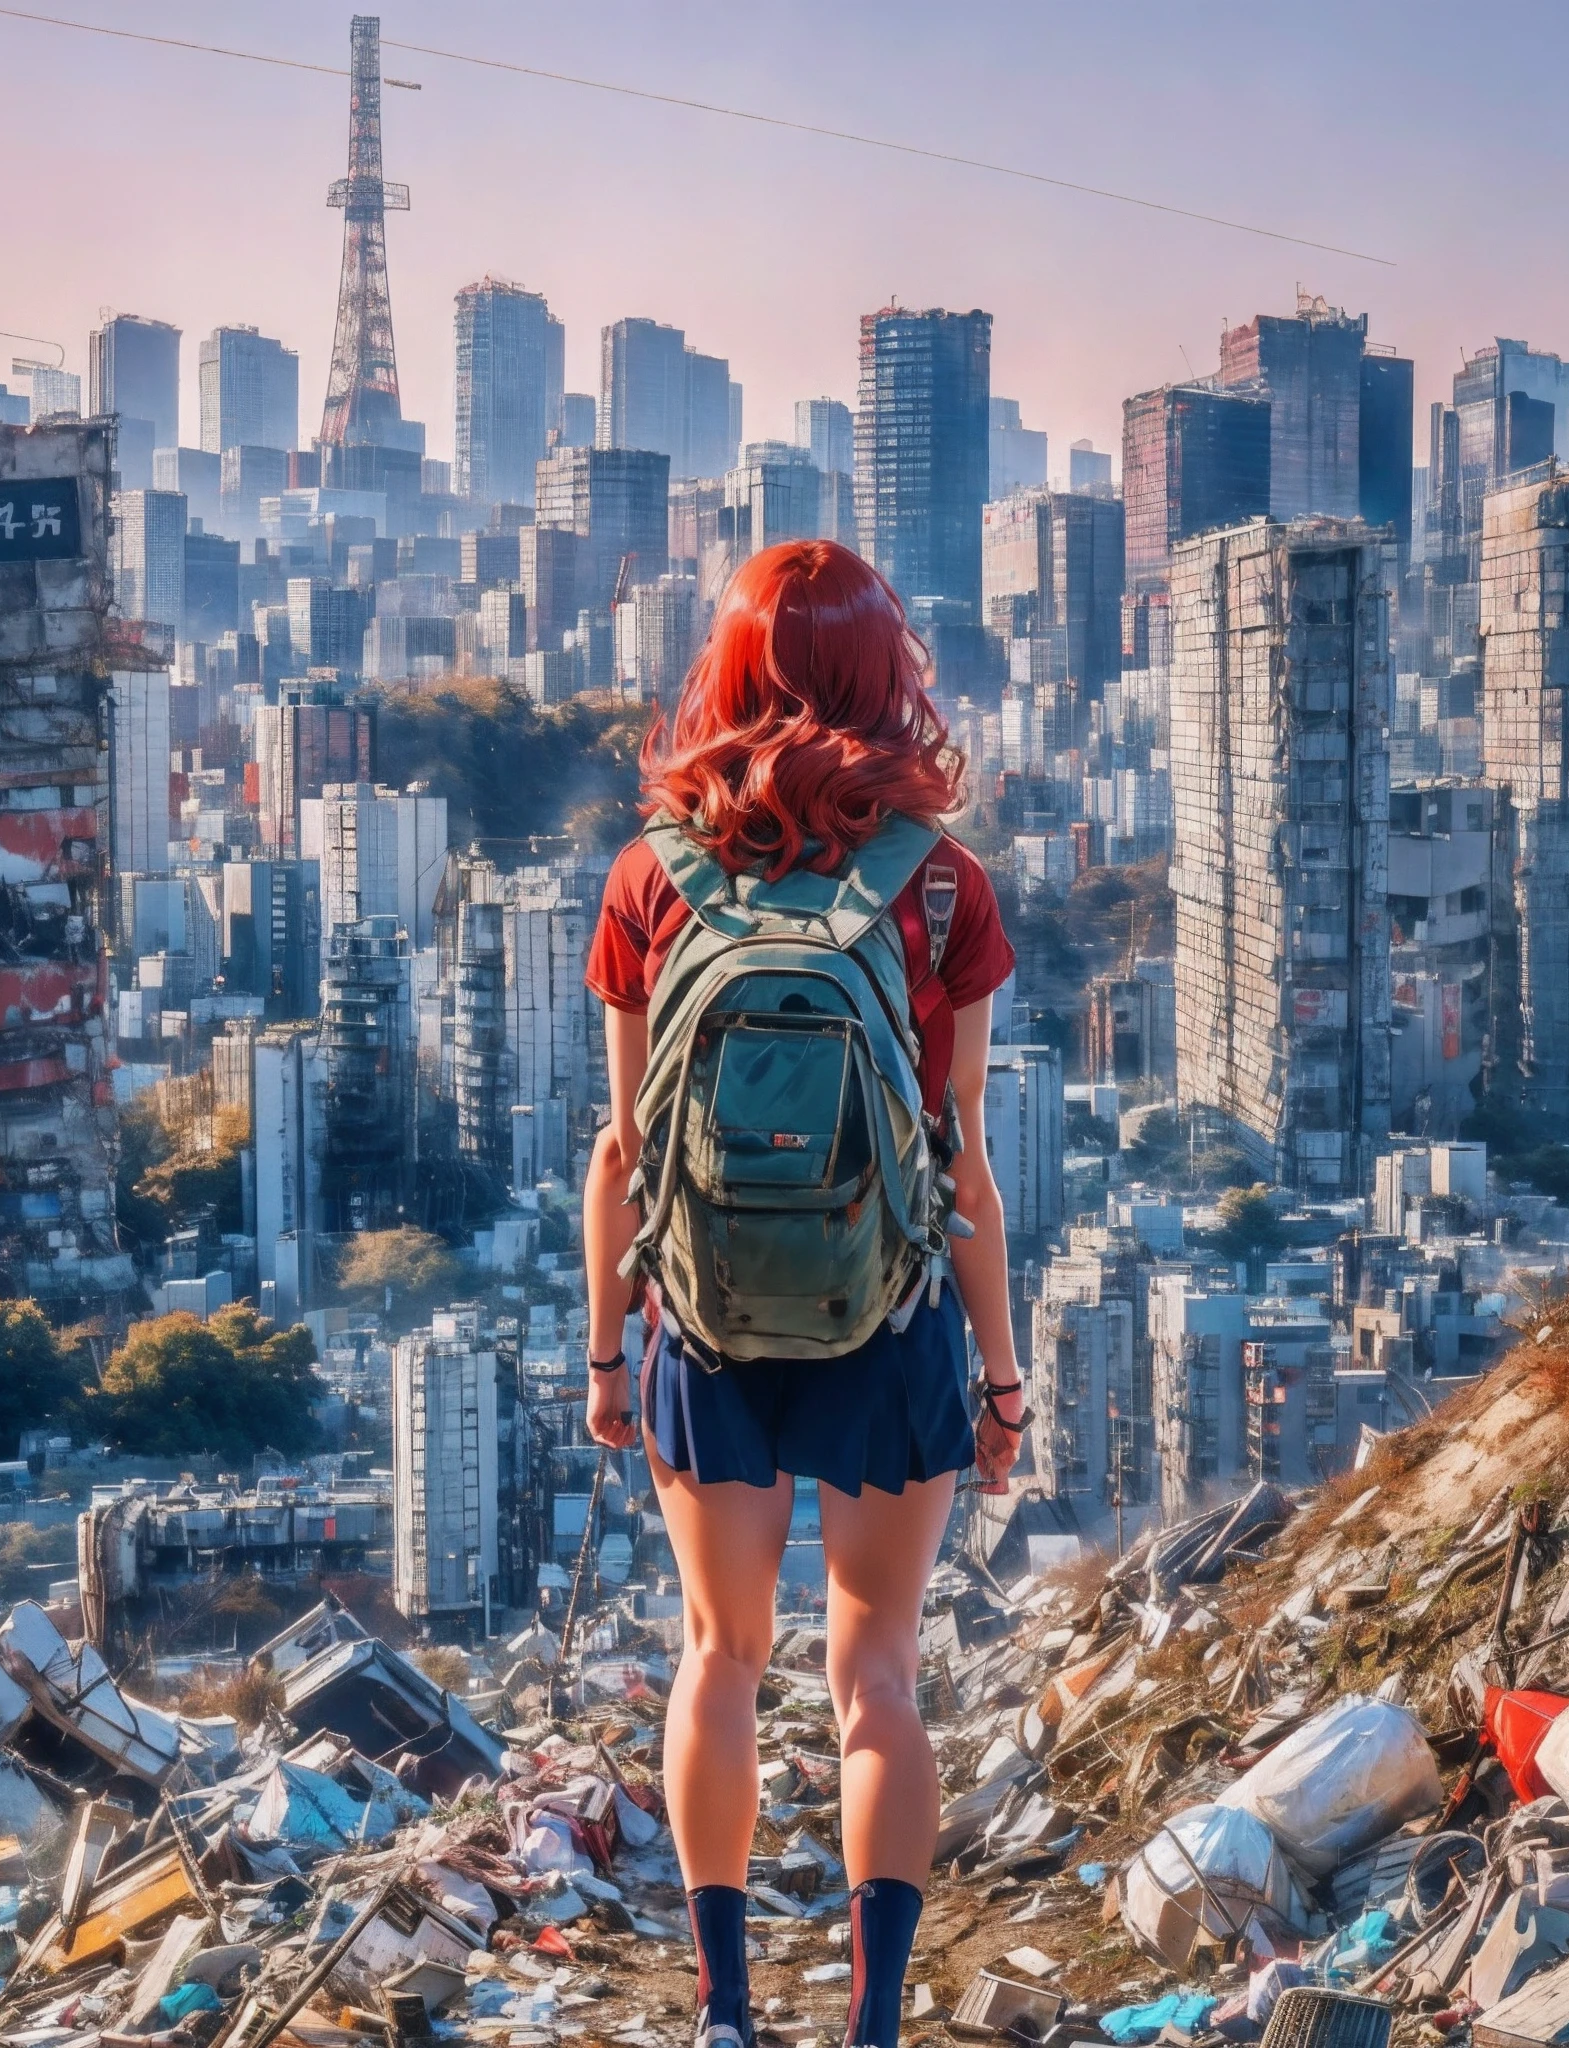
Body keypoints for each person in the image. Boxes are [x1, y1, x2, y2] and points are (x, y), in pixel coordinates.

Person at [582, 540, 1024, 2048]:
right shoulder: (940, 883)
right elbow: (960, 1166)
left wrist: (602, 1352)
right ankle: (879, 2020)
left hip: (700, 1326)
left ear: (728, 669)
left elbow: (626, 1150)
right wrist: (1004, 1378)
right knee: (875, 1674)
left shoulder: (652, 874)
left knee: (720, 1654)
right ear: (886, 676)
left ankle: (722, 2013)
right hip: (890, 1318)